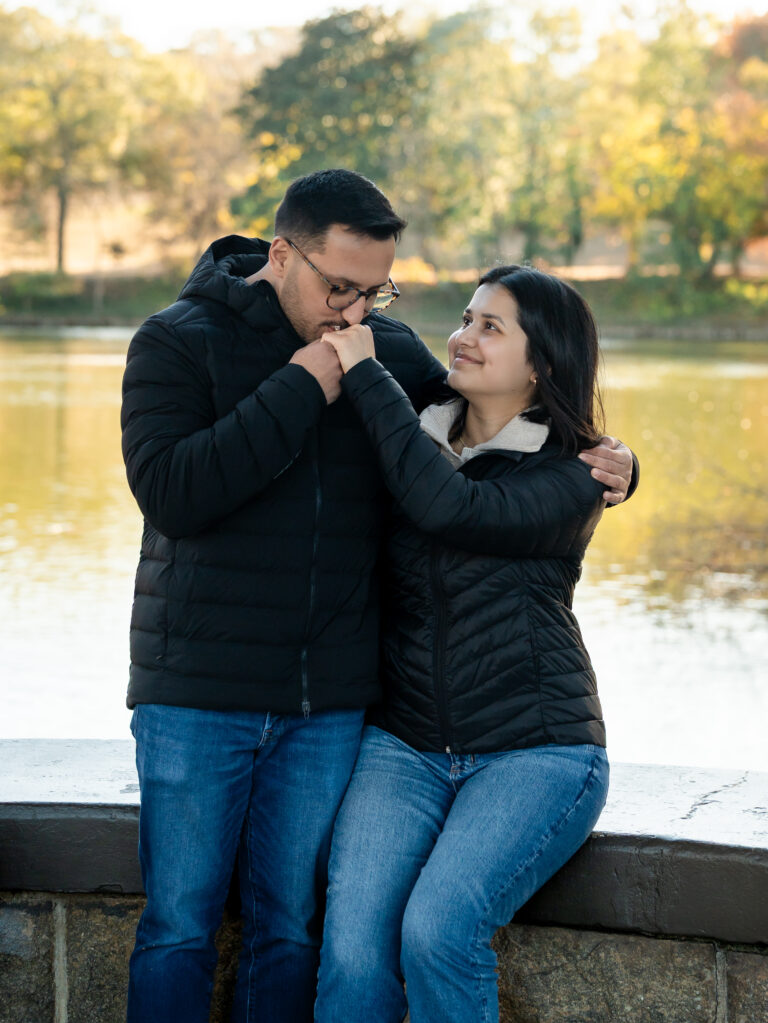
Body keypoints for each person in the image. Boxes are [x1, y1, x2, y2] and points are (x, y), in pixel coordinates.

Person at [121, 168, 634, 1023]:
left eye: (375, 291)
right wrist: (305, 381)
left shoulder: (383, 350)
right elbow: (173, 492)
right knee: (179, 928)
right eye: (340, 287)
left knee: (292, 930)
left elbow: (489, 424)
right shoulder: (176, 340)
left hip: (330, 704)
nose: (354, 311)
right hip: (198, 692)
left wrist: (619, 462)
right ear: (282, 255)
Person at [314, 264, 619, 1023]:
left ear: (542, 362)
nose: (462, 337)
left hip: (537, 750)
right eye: (464, 317)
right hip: (404, 742)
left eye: (491, 326)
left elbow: (453, 507)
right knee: (351, 950)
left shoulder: (573, 475)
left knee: (439, 929)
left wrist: (367, 379)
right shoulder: (417, 422)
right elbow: (321, 278)